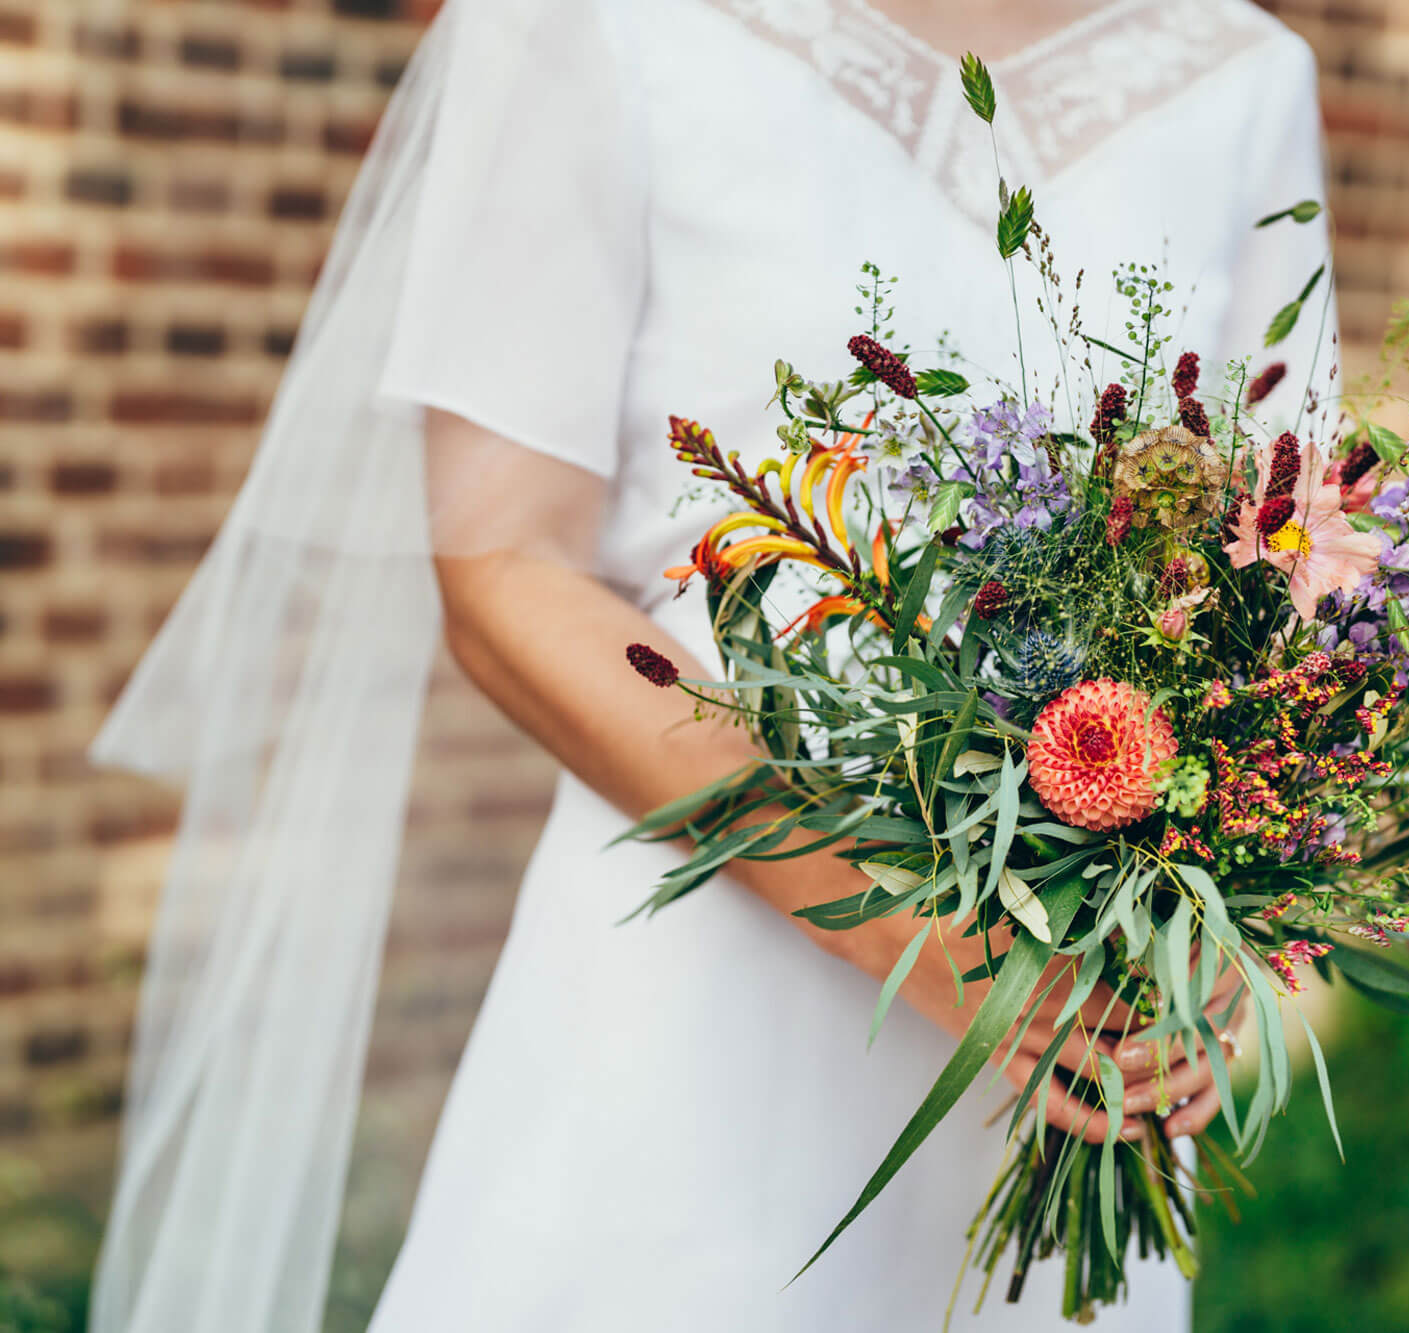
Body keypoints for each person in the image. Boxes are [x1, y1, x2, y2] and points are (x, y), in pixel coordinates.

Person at [87, 1, 1337, 1329]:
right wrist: (928, 937)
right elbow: (505, 568)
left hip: (1082, 1061)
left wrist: (1233, 912)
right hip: (699, 1018)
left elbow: (1280, 558)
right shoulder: (589, 23)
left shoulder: (1244, 79)